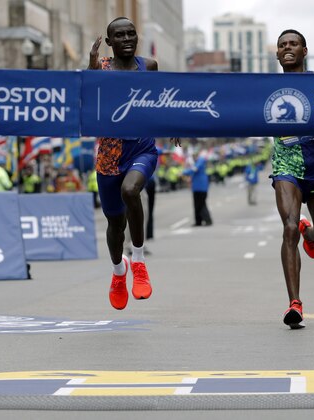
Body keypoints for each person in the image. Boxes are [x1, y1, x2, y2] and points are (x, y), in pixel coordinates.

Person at [88, 17, 177, 310]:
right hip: (109, 157)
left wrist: (175, 122)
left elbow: (160, 98)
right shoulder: (101, 67)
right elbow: (88, 98)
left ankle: (138, 261)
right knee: (115, 223)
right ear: (109, 41)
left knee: (131, 192)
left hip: (142, 149)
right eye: (120, 35)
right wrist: (90, 67)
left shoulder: (148, 66)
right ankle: (118, 272)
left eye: (131, 34)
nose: (127, 39)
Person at [271, 29, 314, 329]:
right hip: (287, 164)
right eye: (282, 44)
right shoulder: (266, 86)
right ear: (276, 54)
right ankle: (294, 303)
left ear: (304, 51)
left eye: (293, 44)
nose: (287, 48)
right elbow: (224, 103)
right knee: (288, 228)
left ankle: (310, 232)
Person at [183, 151, 213, 226]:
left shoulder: (200, 160)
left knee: (201, 205)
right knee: (197, 205)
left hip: (201, 188)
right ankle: (198, 221)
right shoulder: (196, 162)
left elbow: (194, 169)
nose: (193, 157)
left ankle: (208, 220)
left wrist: (184, 172)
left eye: (194, 155)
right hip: (196, 188)